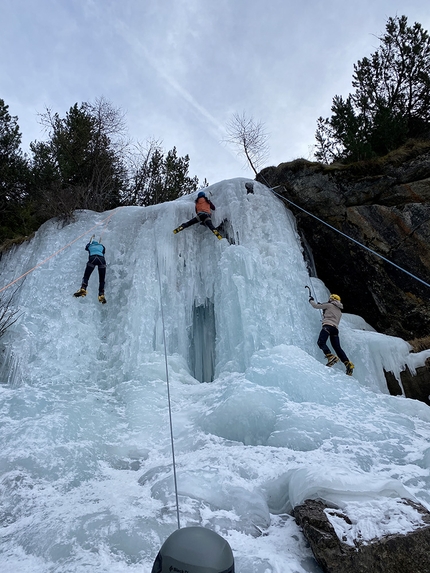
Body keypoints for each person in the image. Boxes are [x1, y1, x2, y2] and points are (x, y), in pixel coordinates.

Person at [309, 293, 354, 375]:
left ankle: (330, 356)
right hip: (335, 329)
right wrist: (325, 310)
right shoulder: (339, 312)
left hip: (327, 327)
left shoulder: (329, 305)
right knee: (337, 348)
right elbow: (331, 315)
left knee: (321, 342)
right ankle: (348, 364)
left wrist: (311, 300)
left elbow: (315, 306)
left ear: (332, 299)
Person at [73, 236, 107, 303]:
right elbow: (103, 252)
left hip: (92, 259)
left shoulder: (90, 245)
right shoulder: (102, 246)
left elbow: (86, 248)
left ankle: (83, 288)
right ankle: (101, 294)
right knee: (102, 279)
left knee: (86, 276)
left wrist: (90, 243)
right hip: (101, 260)